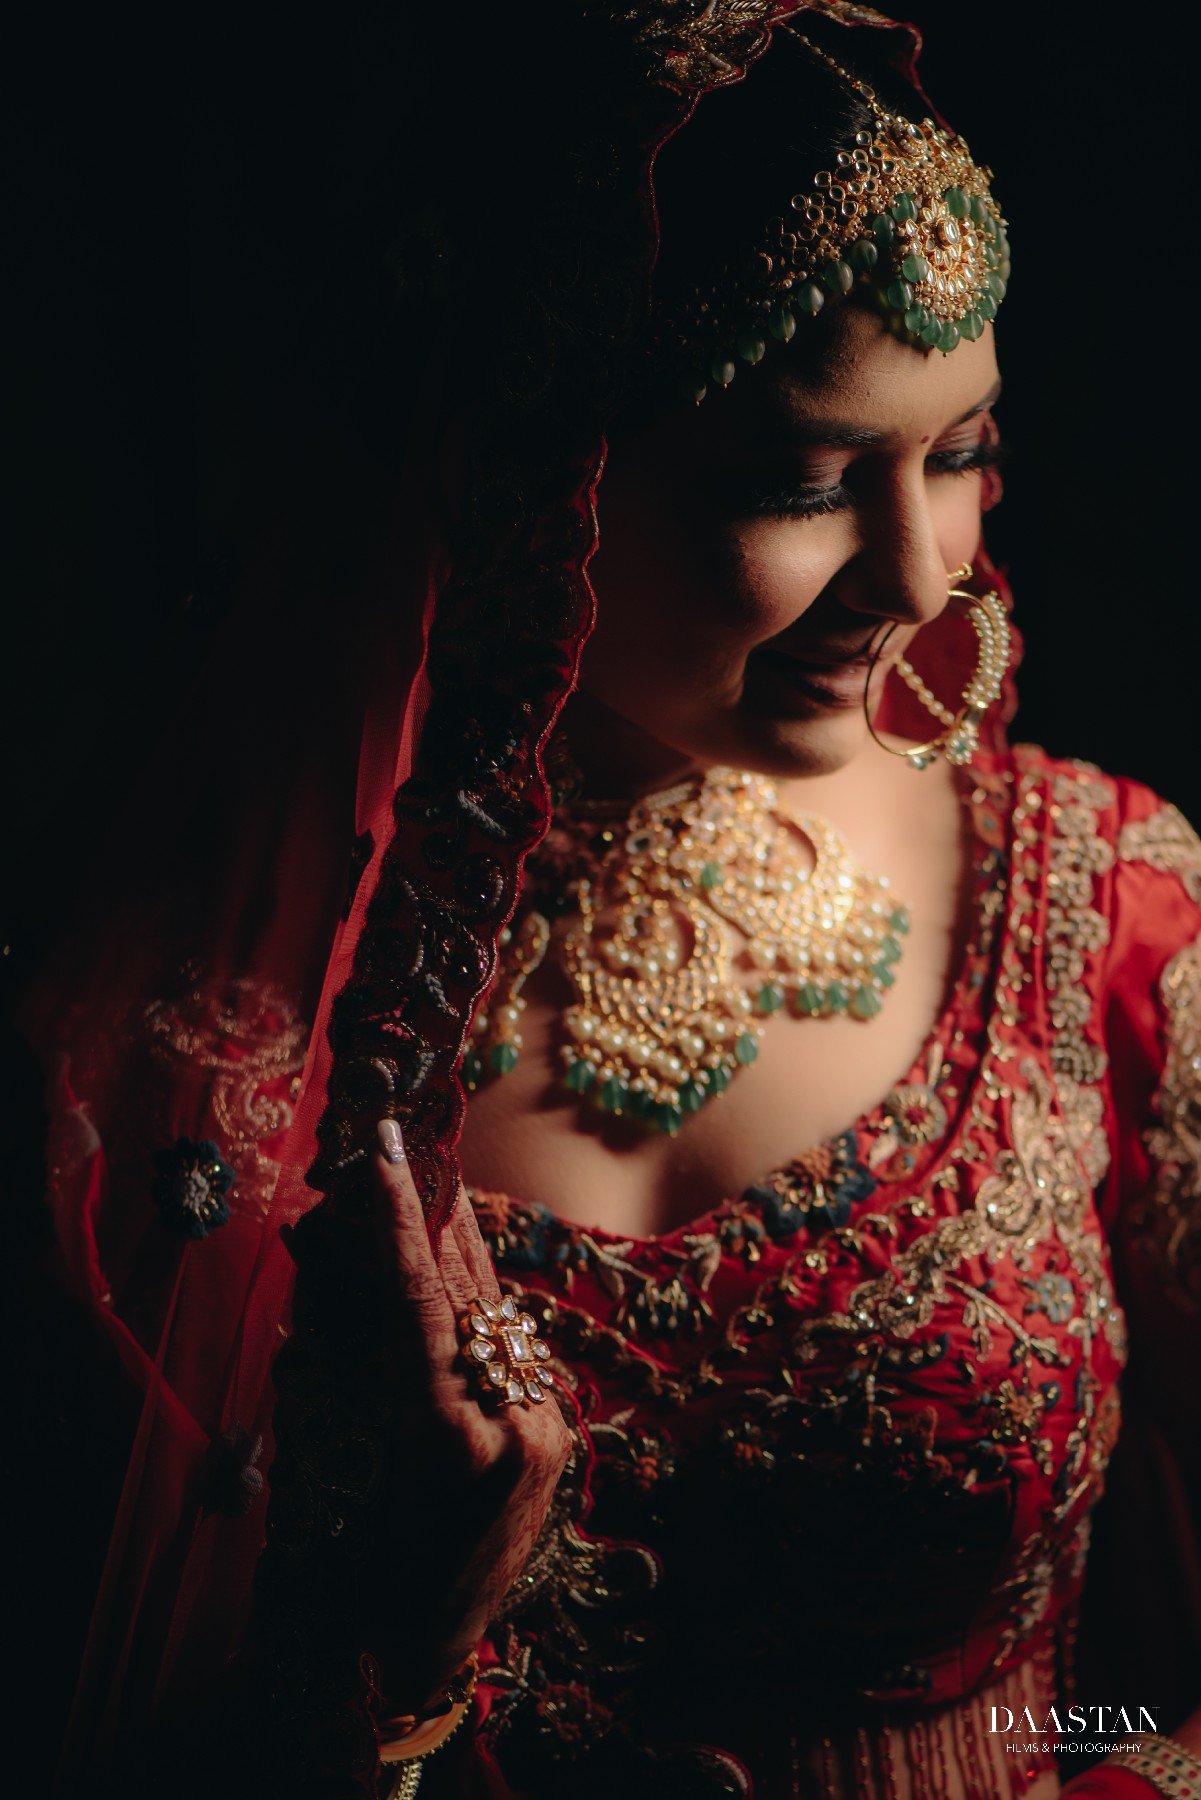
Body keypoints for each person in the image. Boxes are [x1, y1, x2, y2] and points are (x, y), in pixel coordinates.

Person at [14, 4, 1200, 1798]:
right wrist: (393, 1682)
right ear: (519, 472)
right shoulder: (197, 1053)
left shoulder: (1105, 906)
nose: (916, 570)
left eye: (957, 451)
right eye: (798, 482)